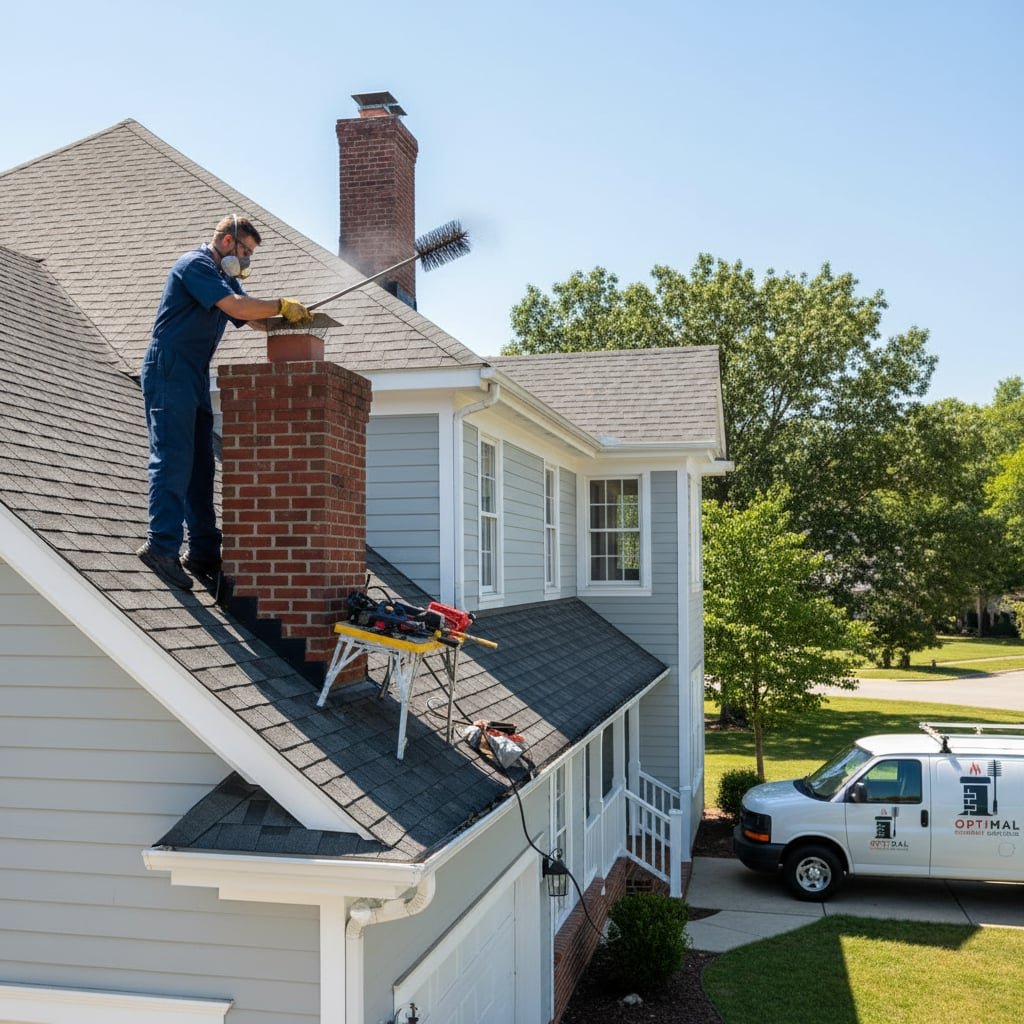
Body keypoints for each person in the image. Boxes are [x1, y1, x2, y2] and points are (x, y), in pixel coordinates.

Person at [137, 214, 313, 591]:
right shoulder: (195, 264)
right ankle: (160, 547)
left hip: (195, 374)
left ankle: (202, 551)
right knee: (173, 457)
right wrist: (280, 303)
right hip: (168, 368)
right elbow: (237, 307)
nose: (248, 259)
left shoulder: (225, 278)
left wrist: (289, 318)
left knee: (201, 465)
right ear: (228, 241)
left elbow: (252, 318)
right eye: (246, 250)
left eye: (252, 253)